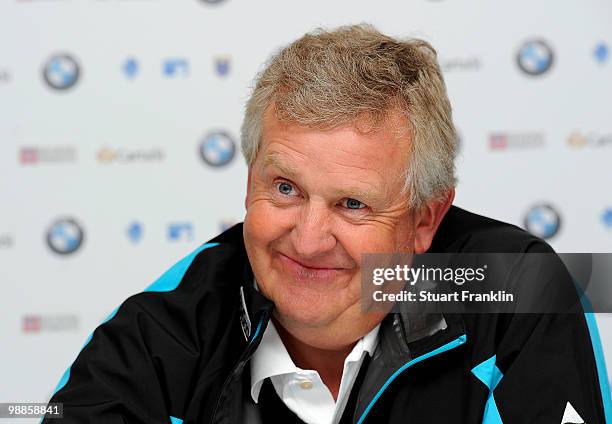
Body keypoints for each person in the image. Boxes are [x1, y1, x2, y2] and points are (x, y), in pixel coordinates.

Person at [43, 24, 609, 423]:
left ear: (424, 220)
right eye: (285, 189)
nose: (308, 240)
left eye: (352, 205)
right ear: (249, 182)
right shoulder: (165, 326)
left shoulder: (514, 290)